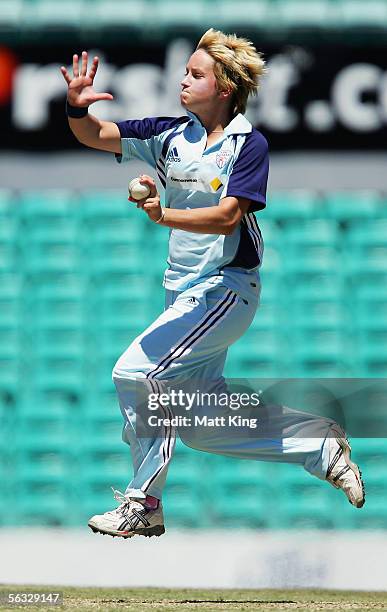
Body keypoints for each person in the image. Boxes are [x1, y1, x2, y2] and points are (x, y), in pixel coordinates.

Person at [60, 28, 365, 539]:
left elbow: (227, 218)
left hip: (227, 289)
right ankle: (319, 447)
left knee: (136, 373)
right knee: (202, 426)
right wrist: (75, 107)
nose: (183, 79)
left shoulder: (249, 145)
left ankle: (144, 501)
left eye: (196, 74)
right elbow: (96, 134)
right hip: (185, 295)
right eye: (185, 71)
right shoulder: (168, 136)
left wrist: (163, 218)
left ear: (224, 87)